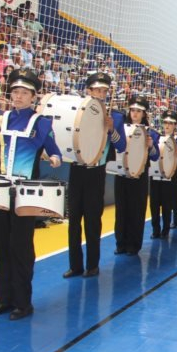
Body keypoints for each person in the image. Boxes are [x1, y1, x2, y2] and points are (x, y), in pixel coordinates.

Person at [0, 69, 63, 320]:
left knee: (21, 247)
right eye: (15, 92)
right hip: (1, 191)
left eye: (24, 92)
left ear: (33, 96)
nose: (18, 96)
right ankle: (4, 300)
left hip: (25, 194)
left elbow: (54, 150)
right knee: (0, 245)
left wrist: (55, 158)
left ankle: (23, 302)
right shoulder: (1, 120)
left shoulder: (42, 123)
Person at [63, 72, 127, 279]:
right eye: (97, 90)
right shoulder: (77, 112)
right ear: (88, 91)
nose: (100, 94)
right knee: (74, 220)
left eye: (104, 91)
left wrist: (111, 130)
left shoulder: (115, 116)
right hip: (77, 169)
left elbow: (121, 145)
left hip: (97, 172)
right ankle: (75, 265)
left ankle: (92, 265)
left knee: (92, 220)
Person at [114, 96, 159, 256]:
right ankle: (121, 243)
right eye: (132, 110)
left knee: (137, 211)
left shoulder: (151, 133)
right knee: (121, 211)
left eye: (138, 111)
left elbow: (155, 156)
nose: (134, 113)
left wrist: (151, 146)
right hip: (121, 174)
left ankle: (134, 245)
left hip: (140, 175)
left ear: (144, 114)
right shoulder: (120, 128)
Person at [149, 111, 177, 239]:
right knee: (154, 205)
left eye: (170, 123)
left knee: (167, 206)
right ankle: (155, 230)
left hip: (169, 177)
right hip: (155, 176)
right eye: (165, 122)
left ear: (175, 125)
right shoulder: (156, 137)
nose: (167, 125)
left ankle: (165, 230)